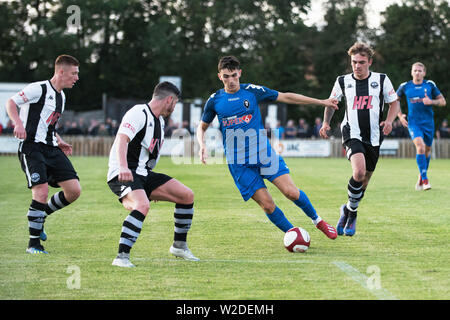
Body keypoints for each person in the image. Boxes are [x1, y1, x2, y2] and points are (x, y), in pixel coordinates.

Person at [197, 55, 339, 241]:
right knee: (268, 205)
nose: (231, 80)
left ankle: (318, 221)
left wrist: (321, 102)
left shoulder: (252, 91)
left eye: (234, 75)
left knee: (291, 192)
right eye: (226, 76)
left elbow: (286, 96)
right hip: (239, 163)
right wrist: (202, 145)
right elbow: (202, 126)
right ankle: (293, 234)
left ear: (240, 73)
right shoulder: (215, 100)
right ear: (219, 76)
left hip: (263, 154)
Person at [107, 81, 198, 268]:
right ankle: (121, 257)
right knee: (142, 205)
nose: (175, 107)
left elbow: (149, 157)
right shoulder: (138, 113)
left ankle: (179, 246)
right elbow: (122, 138)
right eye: (175, 103)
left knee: (186, 195)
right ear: (170, 100)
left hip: (142, 173)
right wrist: (123, 167)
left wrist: (150, 186)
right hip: (123, 172)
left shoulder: (160, 122)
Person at [319, 42, 400, 237]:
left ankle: (348, 210)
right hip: (351, 132)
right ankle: (352, 213)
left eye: (361, 62)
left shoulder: (381, 79)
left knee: (363, 183)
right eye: (354, 62)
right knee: (359, 172)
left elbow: (394, 102)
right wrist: (325, 123)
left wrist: (389, 121)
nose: (357, 66)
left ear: (370, 62)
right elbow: (332, 103)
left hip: (374, 136)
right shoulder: (342, 81)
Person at [5, 54, 82, 254]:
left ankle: (42, 215)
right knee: (41, 191)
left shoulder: (62, 97)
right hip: (31, 147)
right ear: (61, 71)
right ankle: (33, 245)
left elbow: (48, 124)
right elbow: (11, 103)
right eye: (74, 73)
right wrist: (18, 123)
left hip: (51, 148)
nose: (76, 78)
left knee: (74, 191)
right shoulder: (38, 88)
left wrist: (60, 140)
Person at [396, 62, 446, 191]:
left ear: (424, 73)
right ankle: (425, 179)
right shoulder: (405, 86)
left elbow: (443, 101)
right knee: (420, 146)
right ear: (411, 72)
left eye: (420, 71)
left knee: (427, 150)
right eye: (415, 70)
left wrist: (432, 101)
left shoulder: (430, 85)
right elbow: (394, 101)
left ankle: (421, 175)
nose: (417, 73)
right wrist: (400, 116)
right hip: (414, 123)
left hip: (428, 123)